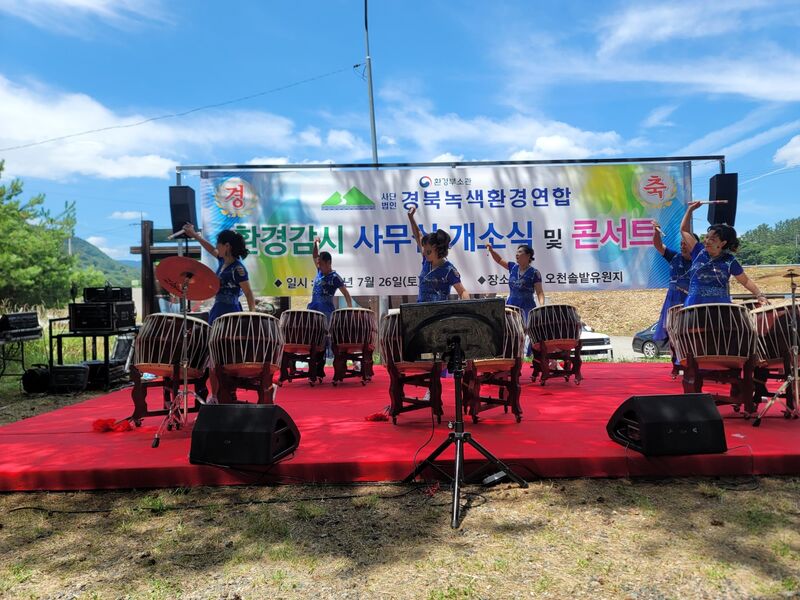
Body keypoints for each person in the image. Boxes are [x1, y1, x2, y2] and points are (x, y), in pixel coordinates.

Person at [680, 201, 768, 307]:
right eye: (707, 237)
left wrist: (759, 295)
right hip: (694, 305)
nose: (707, 241)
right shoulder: (698, 250)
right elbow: (684, 230)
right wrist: (690, 210)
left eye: (712, 239)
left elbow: (745, 281)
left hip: (721, 307)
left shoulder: (729, 261)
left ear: (722, 243)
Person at [181, 224, 256, 322]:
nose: (216, 246)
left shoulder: (237, 269)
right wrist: (195, 235)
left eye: (218, 244)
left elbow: (248, 293)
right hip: (217, 309)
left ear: (227, 246)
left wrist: (253, 317)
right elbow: (211, 249)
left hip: (231, 313)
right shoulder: (222, 260)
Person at [407, 207, 469, 302]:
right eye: (424, 250)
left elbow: (462, 291)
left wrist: (465, 305)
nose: (424, 253)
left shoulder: (449, 270)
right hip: (420, 309)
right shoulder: (427, 260)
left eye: (428, 252)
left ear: (437, 249)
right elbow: (418, 235)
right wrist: (411, 218)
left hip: (439, 310)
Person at [486, 242, 544, 323]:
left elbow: (539, 292)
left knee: (526, 328)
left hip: (527, 308)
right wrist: (491, 251)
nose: (517, 254)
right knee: (511, 328)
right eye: (516, 252)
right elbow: (499, 260)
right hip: (511, 306)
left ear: (528, 256)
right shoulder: (513, 267)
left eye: (520, 252)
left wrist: (542, 307)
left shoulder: (534, 273)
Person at [307, 237, 353, 320]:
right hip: (313, 311)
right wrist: (315, 244)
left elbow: (346, 294)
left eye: (321, 264)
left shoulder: (335, 277)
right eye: (318, 263)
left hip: (326, 314)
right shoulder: (319, 271)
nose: (318, 265)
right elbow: (315, 256)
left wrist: (350, 311)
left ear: (328, 263)